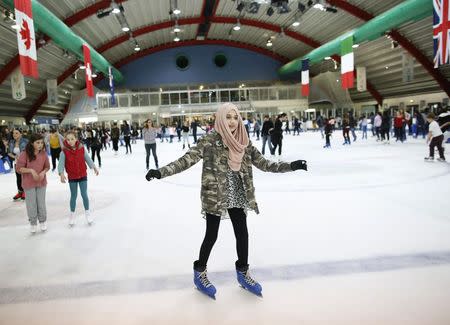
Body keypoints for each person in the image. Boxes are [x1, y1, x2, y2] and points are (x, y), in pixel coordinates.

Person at [145, 103, 308, 299]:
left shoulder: (244, 142)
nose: (232, 121)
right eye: (228, 117)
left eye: (235, 117)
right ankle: (200, 273)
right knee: (211, 235)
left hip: (238, 193)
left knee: (242, 234)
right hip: (216, 195)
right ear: (221, 118)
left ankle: (243, 273)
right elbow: (186, 160)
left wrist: (291, 165)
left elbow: (265, 164)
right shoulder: (210, 140)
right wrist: (160, 172)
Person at [58, 131, 99, 226]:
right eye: (68, 139)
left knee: (84, 194)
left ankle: (87, 213)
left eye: (72, 139)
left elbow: (87, 158)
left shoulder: (81, 148)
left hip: (82, 175)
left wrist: (94, 167)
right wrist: (61, 173)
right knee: (74, 196)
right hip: (72, 176)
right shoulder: (64, 151)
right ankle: (72, 215)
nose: (70, 141)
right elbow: (61, 163)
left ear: (76, 139)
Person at [15, 134, 50, 234]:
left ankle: (42, 221)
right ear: (32, 143)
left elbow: (47, 166)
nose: (40, 145)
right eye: (37, 143)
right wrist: (31, 170)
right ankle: (33, 223)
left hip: (41, 182)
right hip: (29, 183)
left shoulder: (43, 153)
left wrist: (43, 172)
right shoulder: (24, 154)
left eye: (41, 143)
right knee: (31, 204)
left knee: (41, 203)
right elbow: (18, 168)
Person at [8, 129, 28, 201]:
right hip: (17, 163)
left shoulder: (25, 141)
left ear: (20, 134)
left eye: (16, 133)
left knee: (24, 177)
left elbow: (29, 151)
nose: (14, 134)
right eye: (13, 133)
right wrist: (15, 157)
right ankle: (20, 192)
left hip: (25, 162)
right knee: (18, 178)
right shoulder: (11, 142)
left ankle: (25, 192)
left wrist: (22, 157)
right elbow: (9, 152)